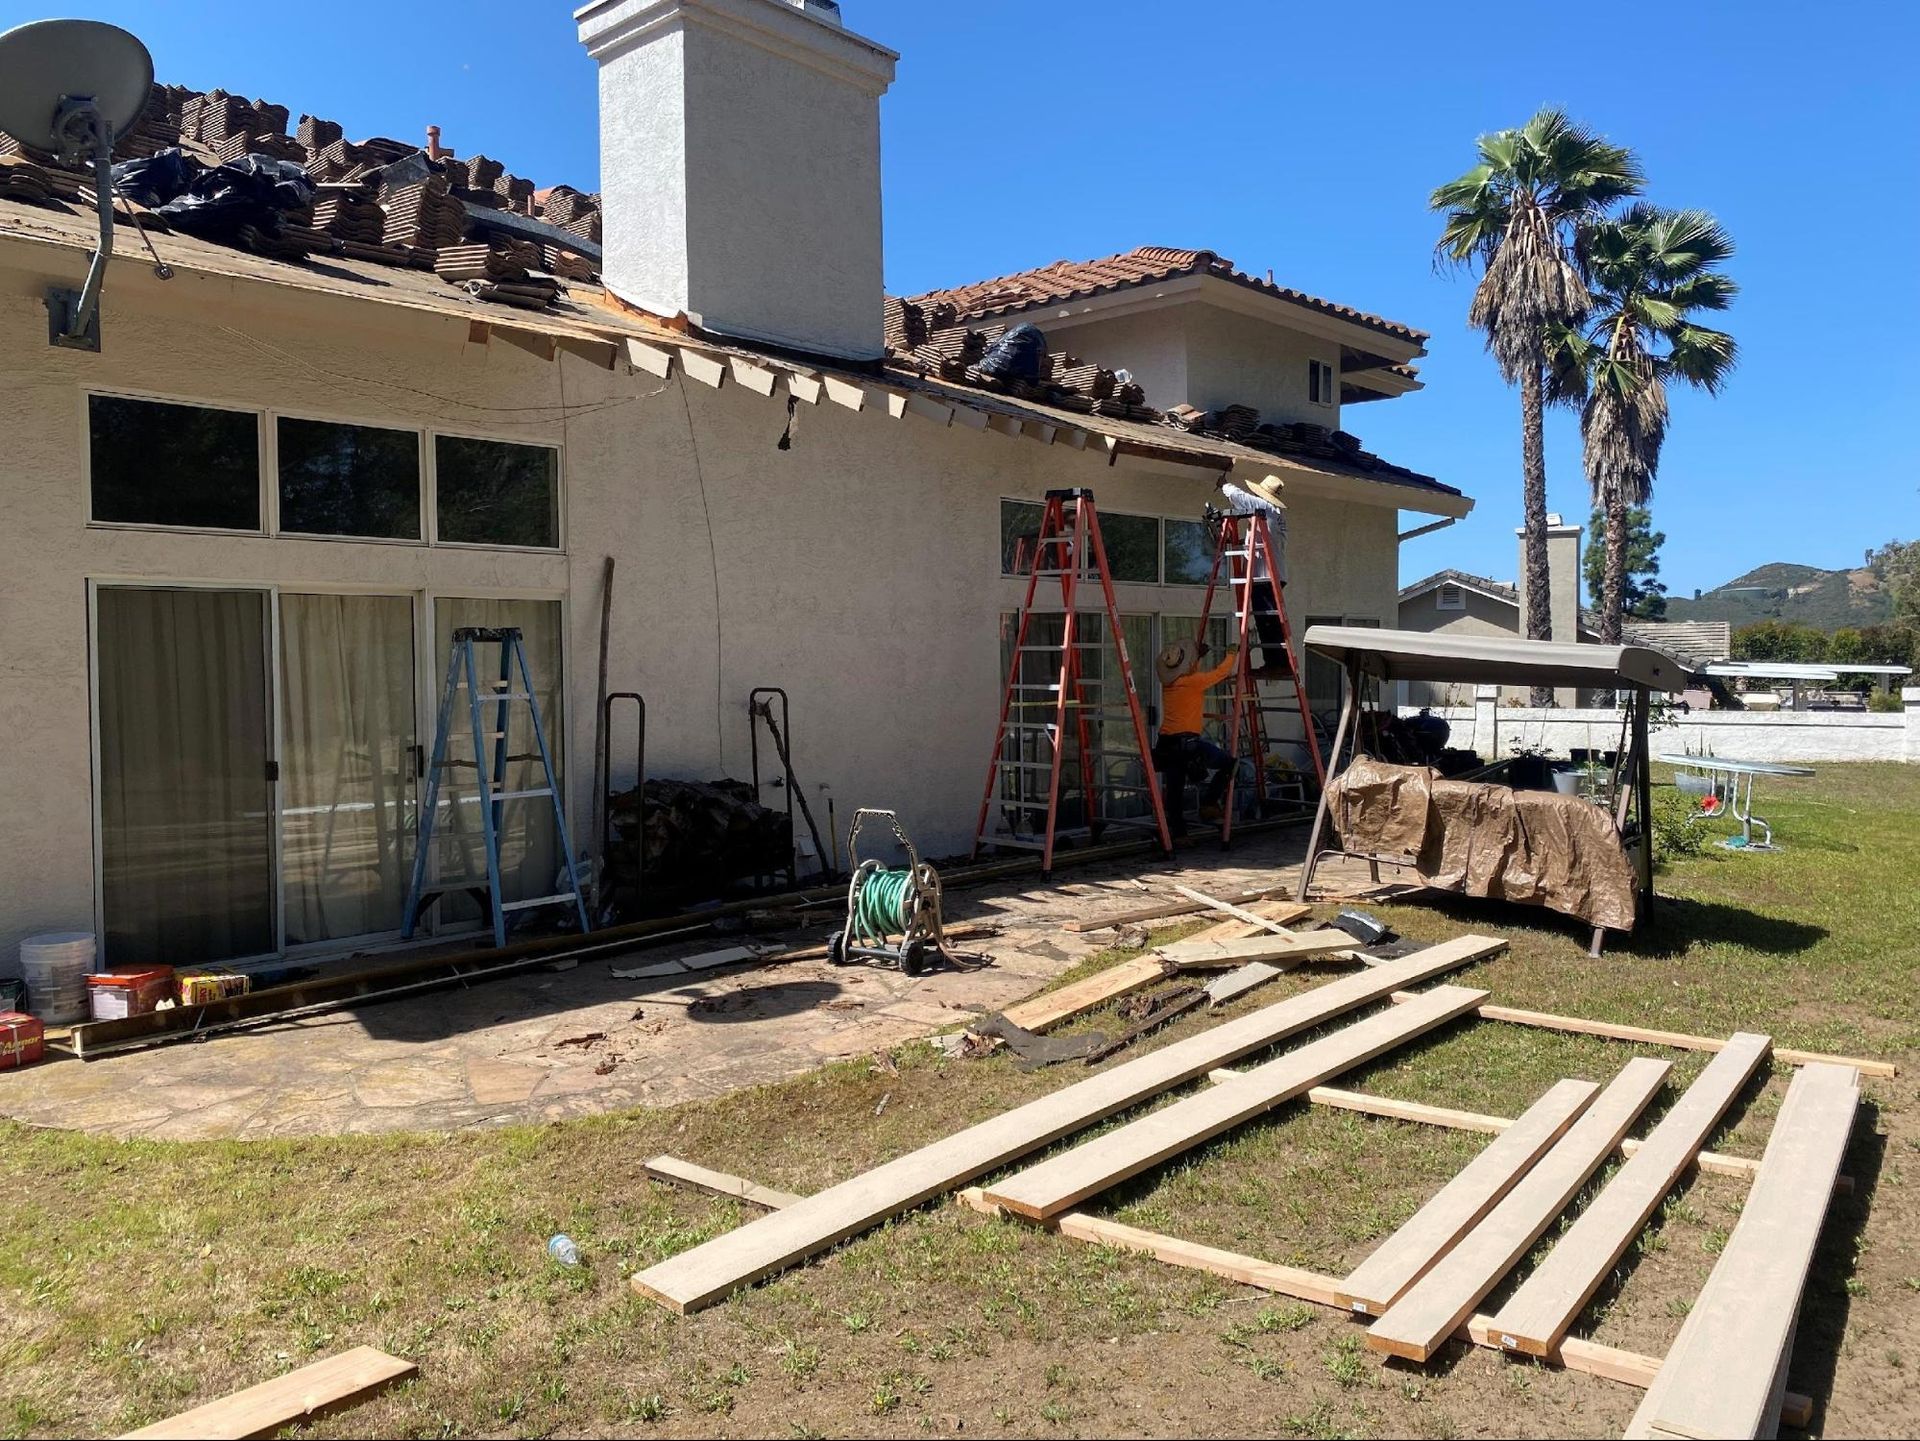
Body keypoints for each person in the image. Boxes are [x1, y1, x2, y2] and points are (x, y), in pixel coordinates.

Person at [1152, 637, 1239, 832]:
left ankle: (1177, 833)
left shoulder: (1169, 685)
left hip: (1167, 744)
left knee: (1175, 789)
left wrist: (1197, 657)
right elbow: (1221, 673)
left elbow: (1187, 671)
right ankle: (1209, 804)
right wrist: (1232, 654)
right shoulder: (1193, 682)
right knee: (1230, 765)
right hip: (1188, 744)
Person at [1217, 472, 1289, 680]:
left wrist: (1224, 485)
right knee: (1266, 621)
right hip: (1268, 576)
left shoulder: (1266, 510)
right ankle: (1275, 663)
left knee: (1268, 622)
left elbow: (1241, 497)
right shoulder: (1269, 515)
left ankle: (1277, 664)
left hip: (1266, 577)